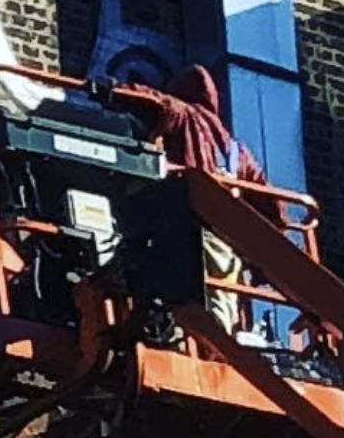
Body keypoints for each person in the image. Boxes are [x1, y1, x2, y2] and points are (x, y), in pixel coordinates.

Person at [114, 64, 273, 337]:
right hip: (228, 238)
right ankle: (222, 344)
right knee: (223, 293)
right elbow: (267, 200)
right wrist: (269, 260)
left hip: (190, 223)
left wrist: (113, 90)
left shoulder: (184, 113)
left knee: (185, 288)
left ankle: (204, 342)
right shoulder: (236, 149)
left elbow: (155, 102)